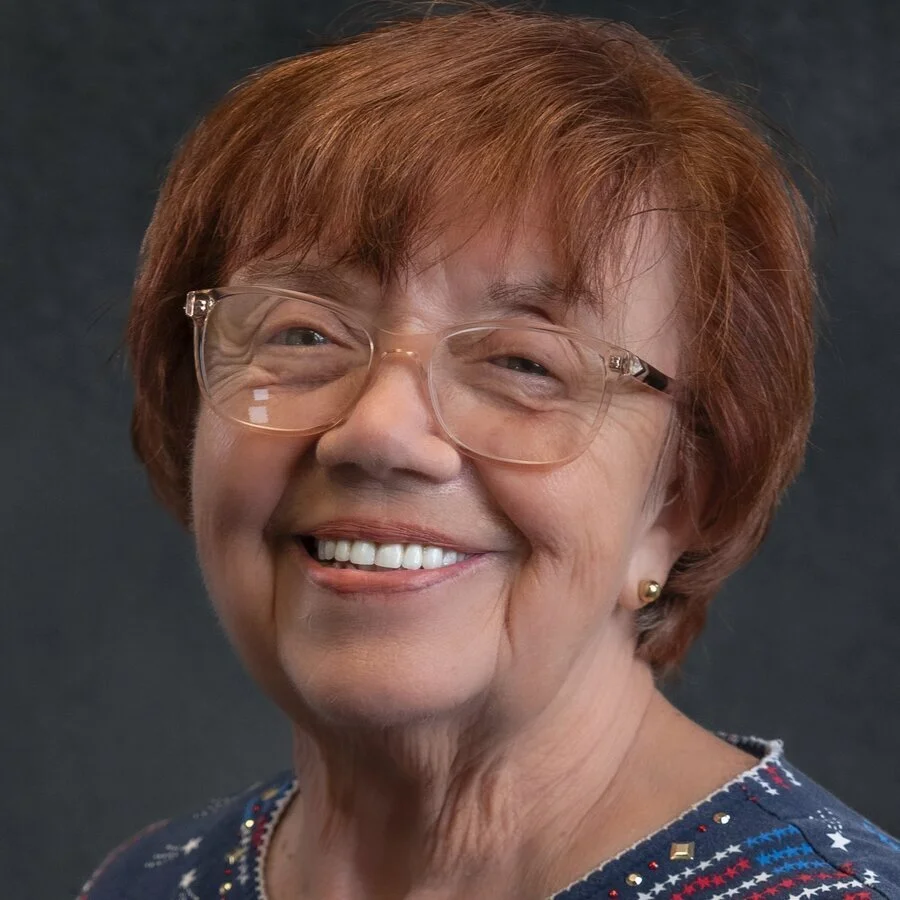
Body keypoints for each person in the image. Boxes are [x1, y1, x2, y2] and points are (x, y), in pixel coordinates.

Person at [78, 5, 899, 899]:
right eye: (303, 333)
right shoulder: (148, 880)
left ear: (678, 500)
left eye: (523, 363)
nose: (379, 432)